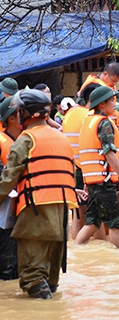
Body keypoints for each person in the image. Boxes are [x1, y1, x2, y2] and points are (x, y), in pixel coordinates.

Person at [0, 89, 78, 299]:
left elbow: (8, 180)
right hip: (61, 215)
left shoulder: (26, 140)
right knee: (50, 281)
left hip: (35, 211)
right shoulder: (61, 138)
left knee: (33, 278)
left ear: (27, 114)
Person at [75, 86, 119, 248]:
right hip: (104, 182)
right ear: (101, 105)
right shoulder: (104, 123)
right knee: (115, 223)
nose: (115, 104)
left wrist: (87, 179)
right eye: (111, 101)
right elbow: (109, 153)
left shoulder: (88, 122)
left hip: (93, 181)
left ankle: (76, 251)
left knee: (93, 221)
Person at [62, 84, 106, 241]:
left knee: (78, 214)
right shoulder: (87, 116)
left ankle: (77, 248)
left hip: (70, 169)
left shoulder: (70, 113)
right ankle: (96, 247)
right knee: (93, 214)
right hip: (84, 169)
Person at [0, 96, 20, 281]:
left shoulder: (24, 140)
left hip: (17, 211)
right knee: (8, 267)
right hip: (3, 215)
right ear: (11, 118)